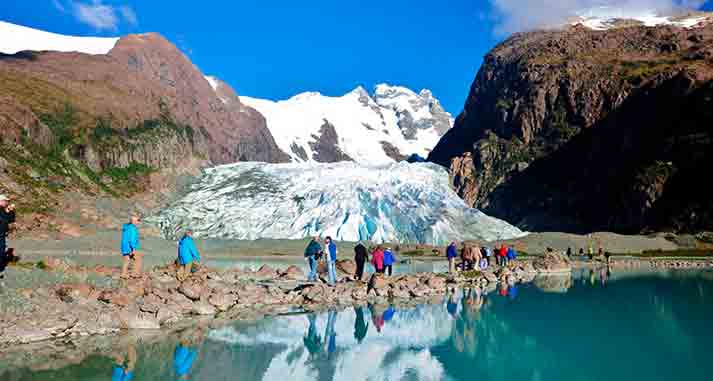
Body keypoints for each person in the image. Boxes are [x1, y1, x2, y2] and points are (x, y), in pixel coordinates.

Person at [120, 215, 142, 279]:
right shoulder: (133, 228)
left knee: (126, 260)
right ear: (134, 221)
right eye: (138, 220)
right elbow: (132, 239)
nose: (138, 222)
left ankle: (123, 274)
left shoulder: (126, 227)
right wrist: (134, 248)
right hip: (130, 247)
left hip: (124, 247)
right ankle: (135, 273)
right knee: (138, 259)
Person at [0, 194, 16, 281]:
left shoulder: (4, 210)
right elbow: (2, 218)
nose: (7, 202)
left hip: (2, 234)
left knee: (2, 250)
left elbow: (11, 220)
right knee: (1, 250)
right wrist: (8, 211)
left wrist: (11, 211)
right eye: (6, 201)